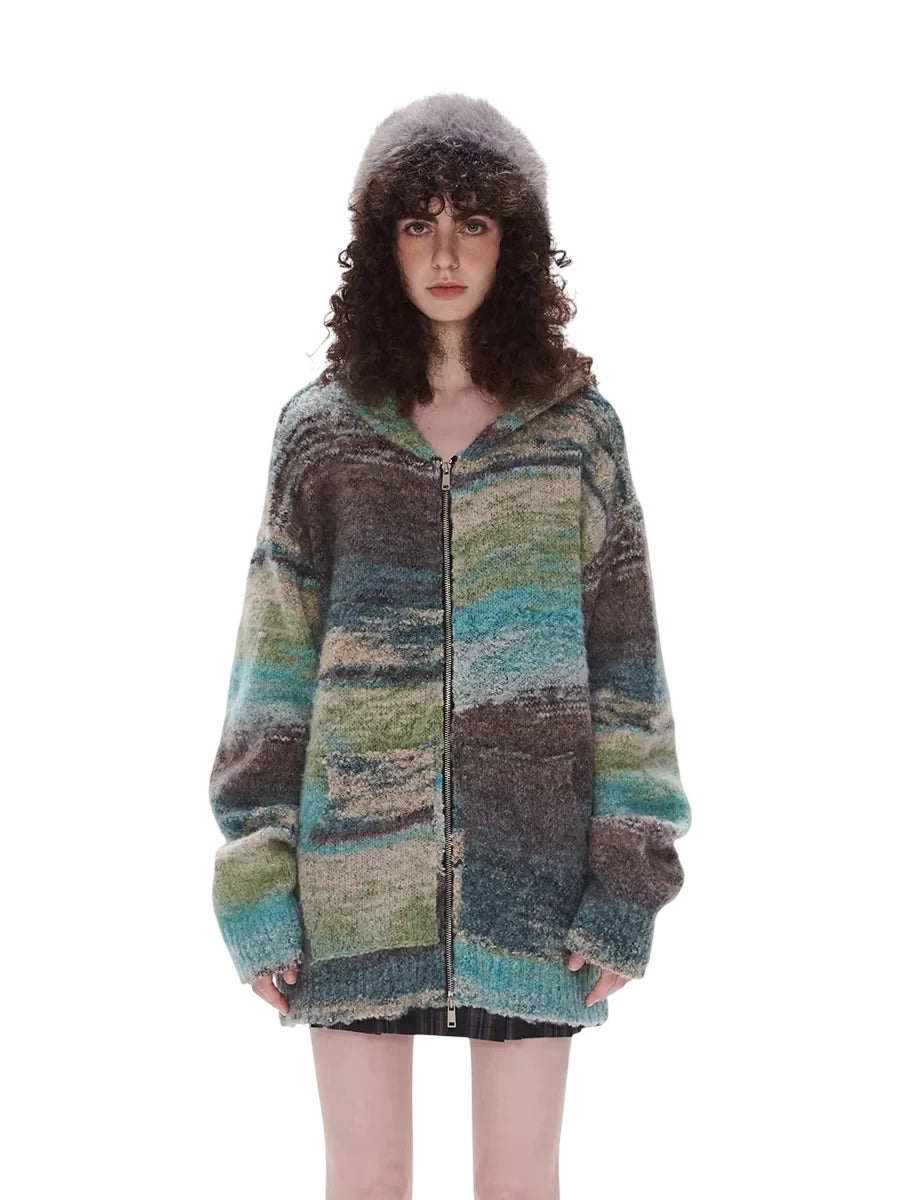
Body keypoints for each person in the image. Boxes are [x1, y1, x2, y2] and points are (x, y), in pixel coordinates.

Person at [208, 92, 692, 1199]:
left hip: (536, 879)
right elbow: (271, 672)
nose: (443, 252)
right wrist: (257, 879)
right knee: (366, 1179)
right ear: (379, 242)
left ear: (513, 242)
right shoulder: (322, 432)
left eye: (472, 222)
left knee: (519, 1181)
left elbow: (630, 675)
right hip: (352, 876)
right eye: (417, 222)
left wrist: (630, 875)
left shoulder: (577, 431)